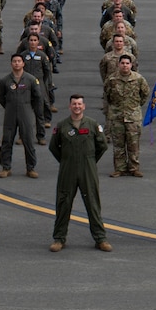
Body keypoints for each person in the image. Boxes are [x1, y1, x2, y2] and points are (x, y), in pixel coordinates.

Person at [48, 94, 111, 252]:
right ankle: (59, 238)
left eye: (79, 104)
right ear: (70, 106)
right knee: (64, 203)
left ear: (84, 106)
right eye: (74, 104)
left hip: (87, 169)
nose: (77, 107)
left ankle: (100, 238)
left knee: (93, 203)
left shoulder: (92, 124)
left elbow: (102, 145)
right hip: (67, 170)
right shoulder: (62, 125)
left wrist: (90, 160)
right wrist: (65, 161)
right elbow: (53, 147)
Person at [0, 54, 43, 178]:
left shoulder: (31, 80)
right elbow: (0, 97)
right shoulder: (5, 80)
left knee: (28, 140)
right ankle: (6, 167)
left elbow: (37, 97)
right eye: (14, 61)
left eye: (19, 61)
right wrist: (9, 106)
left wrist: (30, 108)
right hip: (10, 113)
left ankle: (31, 168)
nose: (16, 63)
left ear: (23, 63)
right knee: (7, 140)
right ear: (11, 64)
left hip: (25, 112)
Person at [102, 55, 146, 178]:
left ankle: (134, 168)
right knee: (118, 144)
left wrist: (135, 107)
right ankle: (119, 168)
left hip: (133, 117)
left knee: (133, 144)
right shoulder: (112, 79)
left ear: (131, 65)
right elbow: (107, 94)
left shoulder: (139, 79)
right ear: (118, 64)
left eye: (127, 63)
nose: (125, 65)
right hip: (117, 116)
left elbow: (145, 94)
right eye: (122, 63)